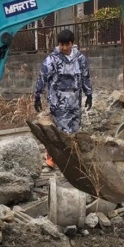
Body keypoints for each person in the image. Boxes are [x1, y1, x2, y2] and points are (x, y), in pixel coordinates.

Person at [34, 29, 92, 168]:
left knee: (75, 131)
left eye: (67, 44)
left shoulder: (80, 59)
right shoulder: (52, 60)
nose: (65, 47)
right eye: (62, 44)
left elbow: (85, 77)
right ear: (58, 44)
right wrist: (37, 95)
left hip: (75, 102)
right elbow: (42, 77)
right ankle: (56, 158)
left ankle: (69, 158)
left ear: (72, 43)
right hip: (58, 102)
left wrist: (89, 94)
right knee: (62, 132)